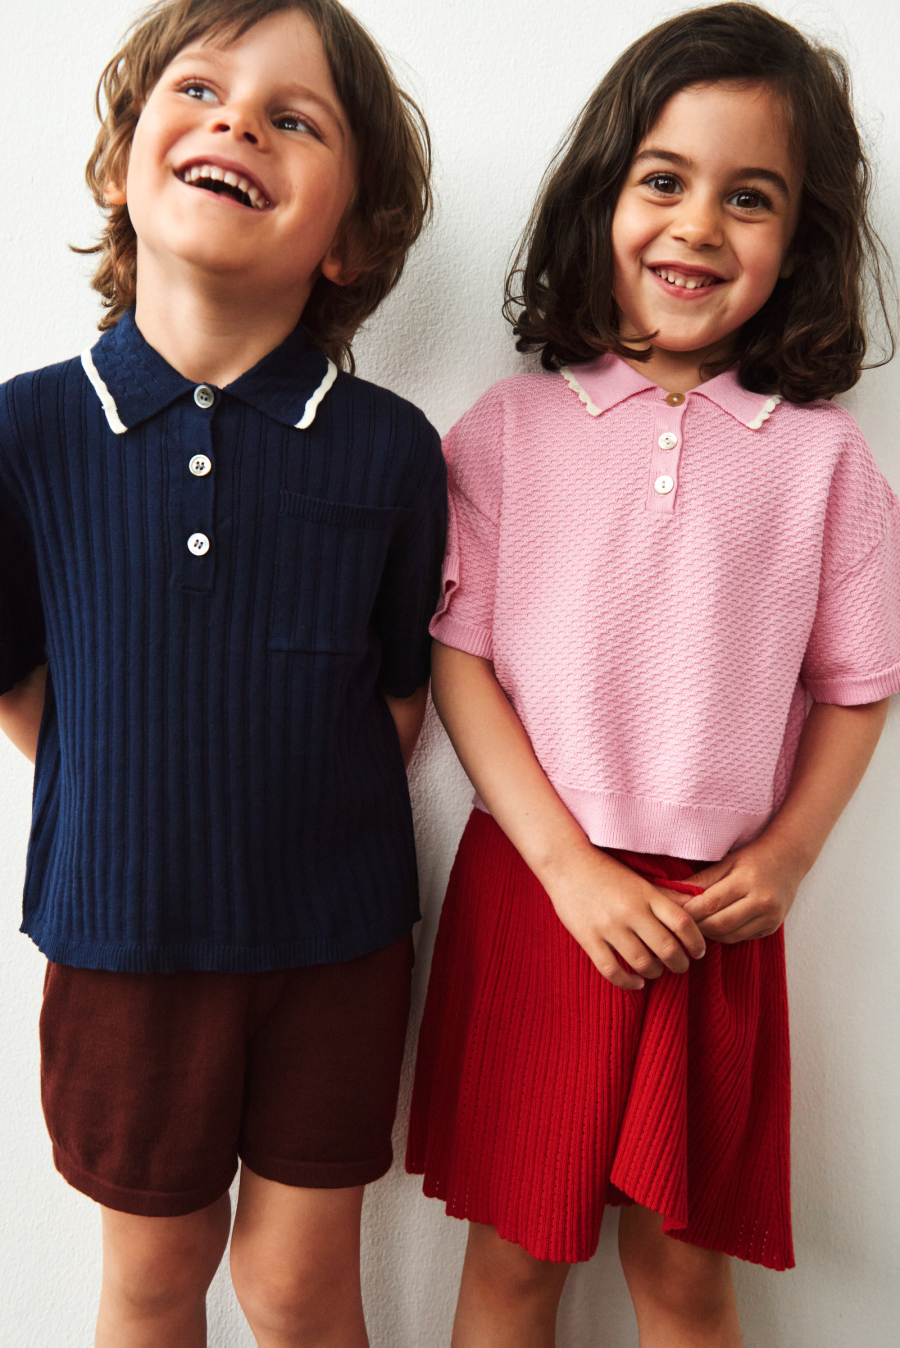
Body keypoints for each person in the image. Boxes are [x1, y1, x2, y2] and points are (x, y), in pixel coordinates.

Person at [405, 4, 900, 1345]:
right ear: (600, 201)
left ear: (800, 239)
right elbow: (460, 660)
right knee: (516, 1265)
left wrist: (789, 855)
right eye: (664, 180)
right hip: (539, 898)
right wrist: (566, 865)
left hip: (714, 920)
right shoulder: (504, 432)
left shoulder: (824, 462)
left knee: (684, 1277)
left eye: (751, 197)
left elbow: (859, 683)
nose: (699, 226)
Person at [0, 1, 445, 1344]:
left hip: (337, 946)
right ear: (122, 160)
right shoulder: (25, 431)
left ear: (348, 236)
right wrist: (138, 794)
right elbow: (25, 688)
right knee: (152, 1278)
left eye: (294, 117)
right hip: (123, 942)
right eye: (199, 91)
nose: (239, 120)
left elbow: (399, 696)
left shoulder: (392, 449)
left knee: (301, 1288)